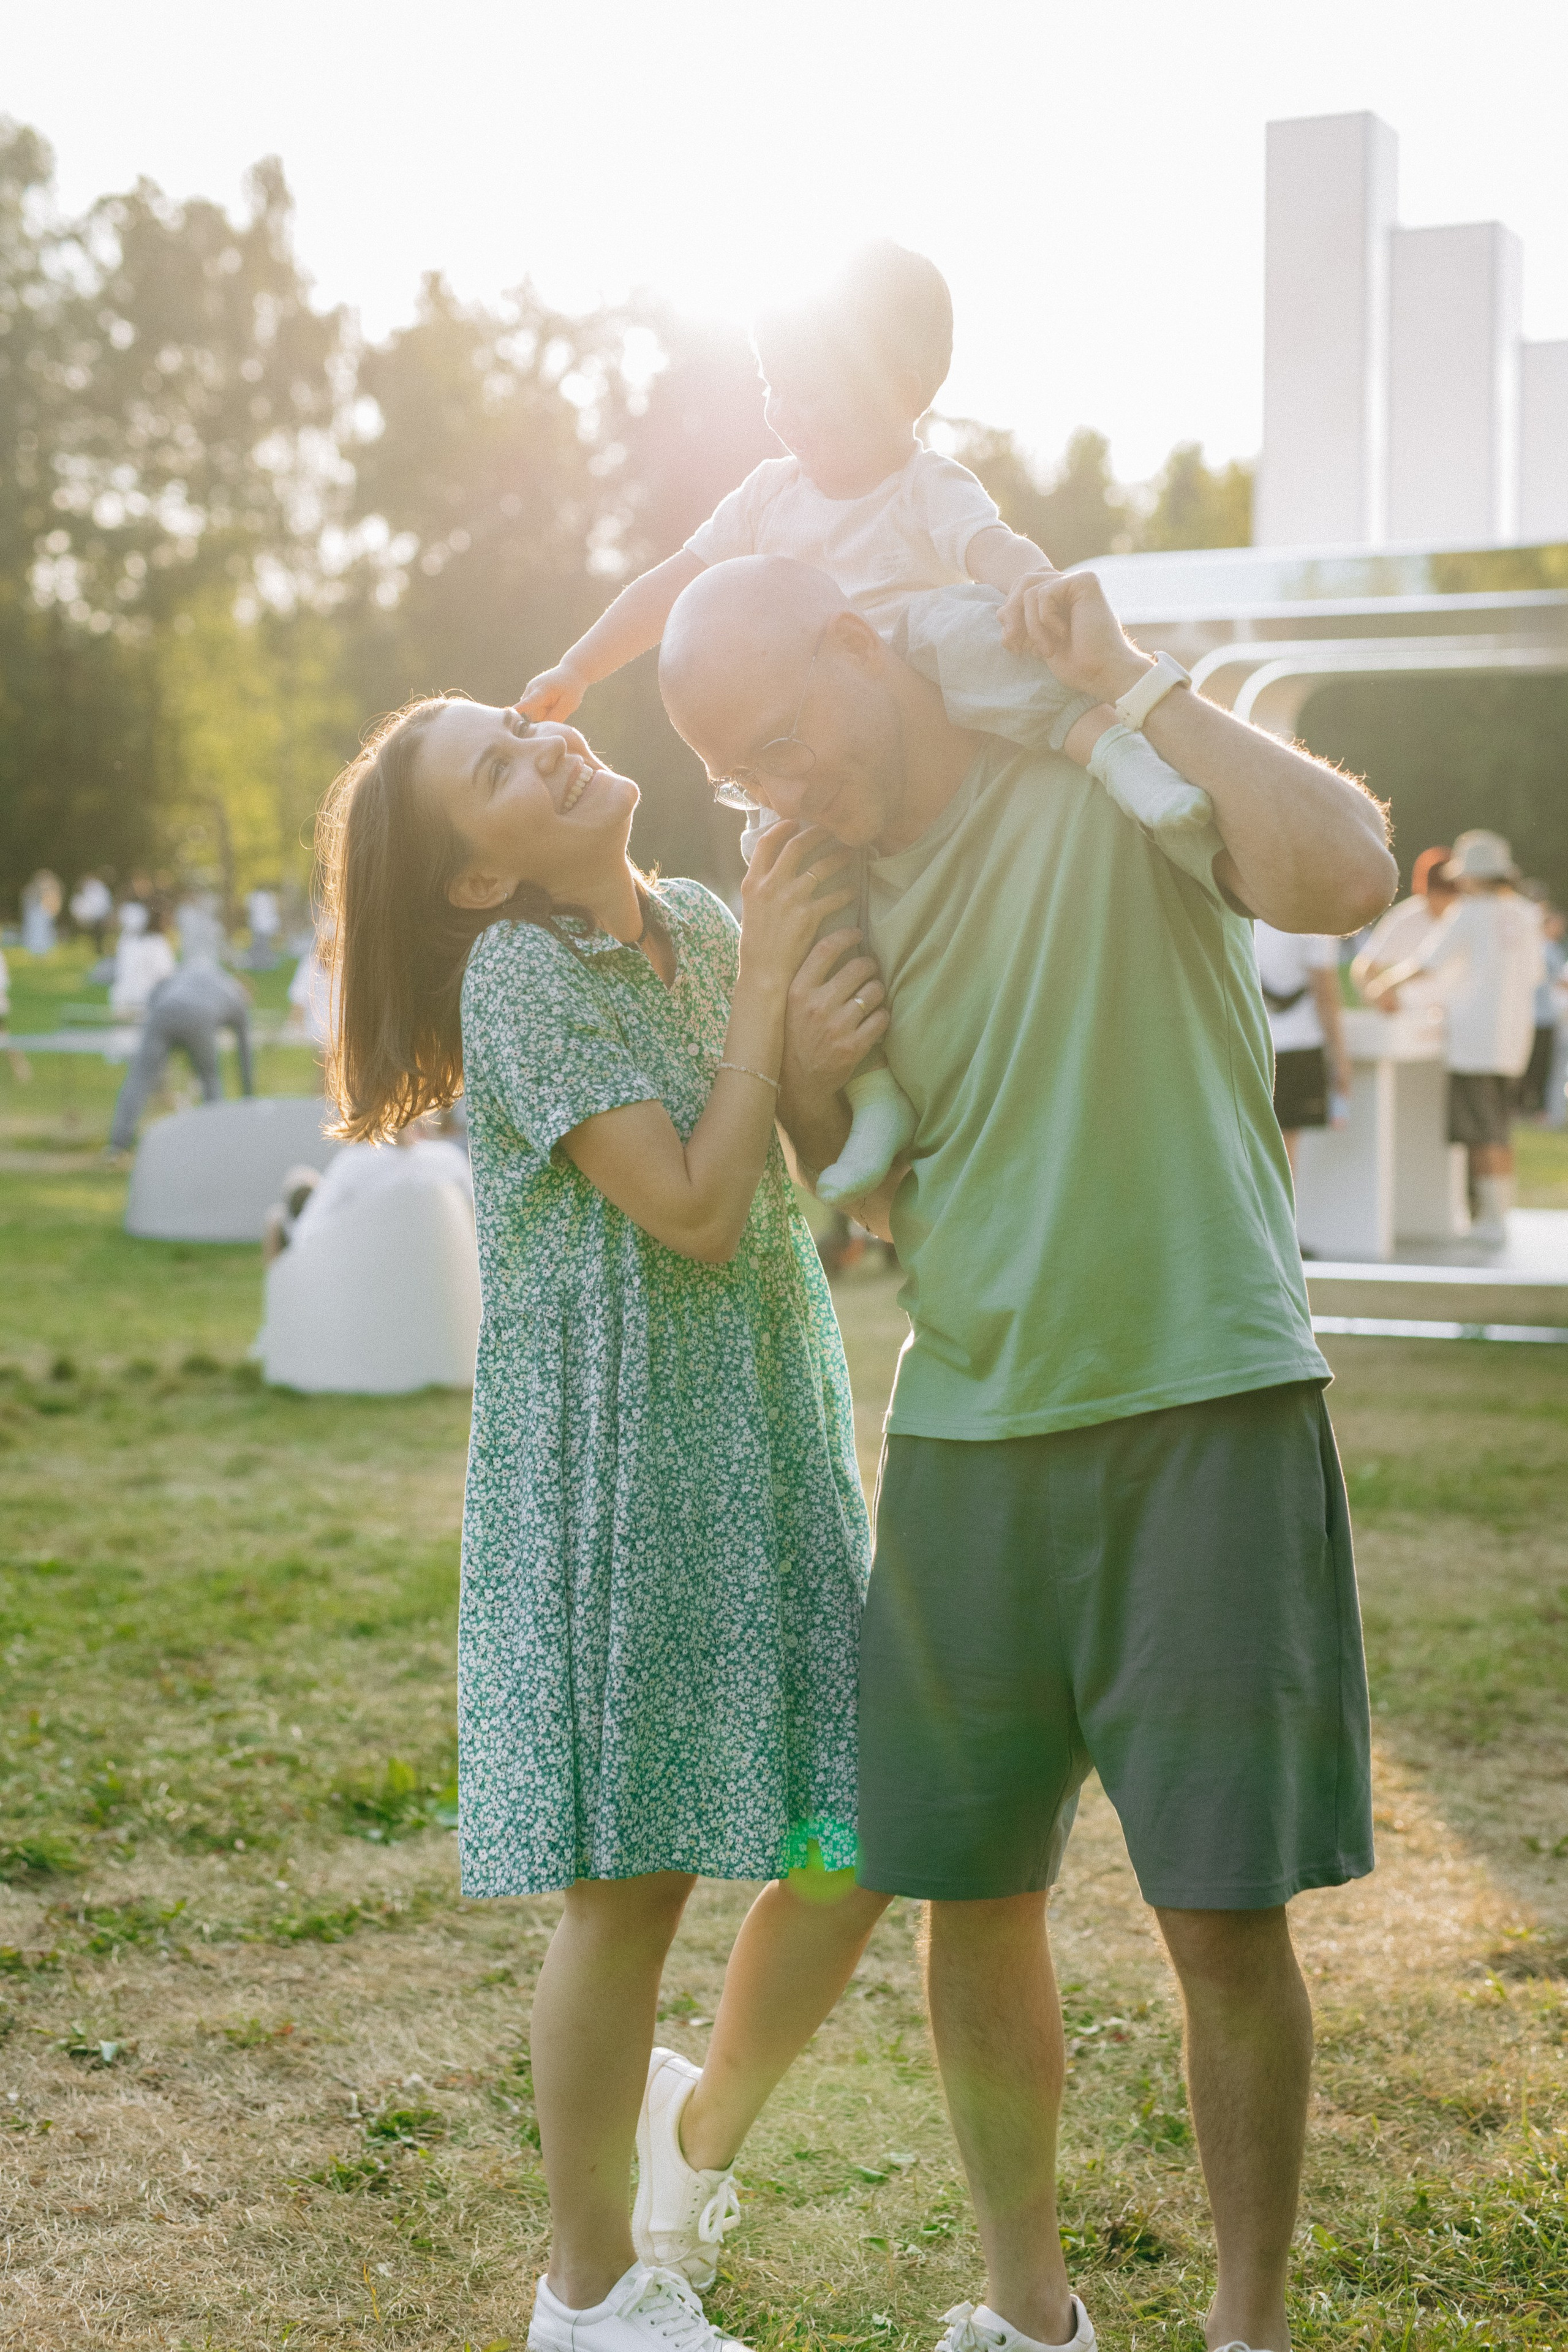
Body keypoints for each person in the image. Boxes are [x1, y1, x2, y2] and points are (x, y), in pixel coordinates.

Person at [658, 556, 1397, 2352]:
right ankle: (1023, 2308)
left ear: (854, 642)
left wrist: (1142, 685)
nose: (786, 788)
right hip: (969, 1434)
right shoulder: (819, 881)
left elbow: (1346, 879)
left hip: (1205, 1401)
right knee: (968, 1892)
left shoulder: (1094, 748)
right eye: (745, 772)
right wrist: (809, 1062)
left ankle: (1245, 2328)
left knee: (1220, 1915)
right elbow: (863, 1193)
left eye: (788, 738)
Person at [319, 698, 897, 2352]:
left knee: (861, 1834)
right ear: (475, 880)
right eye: (497, 770)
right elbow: (696, 1209)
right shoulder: (522, 977)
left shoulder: (704, 922)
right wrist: (772, 995)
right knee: (631, 1887)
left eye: (521, 723)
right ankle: (586, 2295)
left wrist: (812, 1058)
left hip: (765, 1432)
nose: (544, 743)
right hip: (622, 1465)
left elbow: (805, 1177)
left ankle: (691, 2134)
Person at [521, 242, 1202, 1205]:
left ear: (904, 390)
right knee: (794, 892)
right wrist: (580, 665)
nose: (786, 411)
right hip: (805, 743)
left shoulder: (927, 487)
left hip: (914, 693)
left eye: (812, 389)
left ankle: (1122, 757)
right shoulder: (768, 495)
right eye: (773, 385)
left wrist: (1036, 589)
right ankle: (875, 1093)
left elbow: (993, 548)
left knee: (965, 630)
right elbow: (671, 586)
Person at [1363, 830, 1545, 1246]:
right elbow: (1535, 975)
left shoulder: (1469, 912)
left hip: (1473, 1039)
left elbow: (1429, 961)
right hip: (1515, 1037)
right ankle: (1501, 1214)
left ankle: (1491, 1221)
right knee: (1501, 1128)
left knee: (1479, 1132)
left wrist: (1385, 984)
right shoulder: (1525, 914)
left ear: (1474, 876)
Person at [105, 958, 254, 1157]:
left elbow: (156, 991)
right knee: (210, 1080)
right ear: (244, 991)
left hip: (162, 1012)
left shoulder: (202, 970)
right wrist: (248, 1098)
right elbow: (245, 1054)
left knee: (139, 1078)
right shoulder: (237, 1000)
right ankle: (217, 1140)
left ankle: (117, 1145)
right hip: (201, 1019)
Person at [1252, 922, 1352, 1175]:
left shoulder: (1249, 917)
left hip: (1254, 1042)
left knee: (1254, 1148)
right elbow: (1325, 994)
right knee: (1286, 1152)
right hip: (1299, 1044)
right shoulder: (1315, 922)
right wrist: (1340, 1058)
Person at [1349, 843, 1456, 1010]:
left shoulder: (1464, 916)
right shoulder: (1405, 919)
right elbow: (1365, 966)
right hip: (1413, 1015)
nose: (1445, 902)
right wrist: (1380, 995)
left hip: (1458, 1014)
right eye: (1438, 894)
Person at [1515, 891, 1565, 1120]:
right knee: (1533, 1064)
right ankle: (1525, 1106)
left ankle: (1533, 1106)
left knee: (1541, 1064)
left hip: (1546, 1016)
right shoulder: (1541, 948)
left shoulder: (1553, 949)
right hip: (1535, 1016)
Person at [109, 902, 177, 1017]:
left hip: (123, 999)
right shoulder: (157, 943)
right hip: (145, 1002)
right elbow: (166, 973)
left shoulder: (127, 940)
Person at [69, 872, 114, 954]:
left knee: (99, 931)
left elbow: (104, 905)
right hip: (86, 917)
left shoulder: (100, 889)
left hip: (98, 918)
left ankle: (99, 948)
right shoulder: (83, 891)